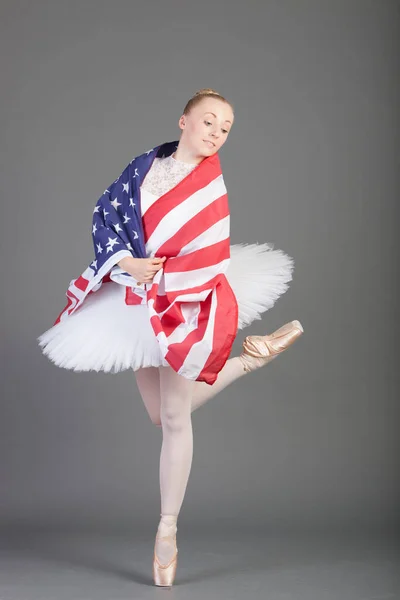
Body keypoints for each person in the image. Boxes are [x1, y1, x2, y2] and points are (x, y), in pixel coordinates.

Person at [37, 88, 304, 587]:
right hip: (135, 295)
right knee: (158, 414)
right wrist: (124, 263)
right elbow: (107, 211)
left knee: (177, 415)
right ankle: (251, 359)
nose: (217, 133)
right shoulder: (143, 165)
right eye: (209, 121)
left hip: (184, 294)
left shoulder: (211, 183)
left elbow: (210, 248)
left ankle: (166, 531)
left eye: (226, 128)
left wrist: (163, 282)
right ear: (183, 120)